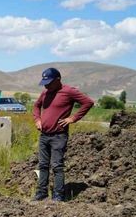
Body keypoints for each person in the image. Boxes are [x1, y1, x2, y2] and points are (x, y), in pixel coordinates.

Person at [33, 67, 94, 202]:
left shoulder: (68, 91)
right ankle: (41, 193)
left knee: (56, 166)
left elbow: (88, 102)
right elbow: (36, 106)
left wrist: (72, 118)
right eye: (45, 82)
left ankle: (58, 196)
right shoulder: (45, 93)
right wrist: (37, 119)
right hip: (44, 135)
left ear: (58, 79)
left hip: (58, 136)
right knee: (43, 165)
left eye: (49, 82)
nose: (47, 85)